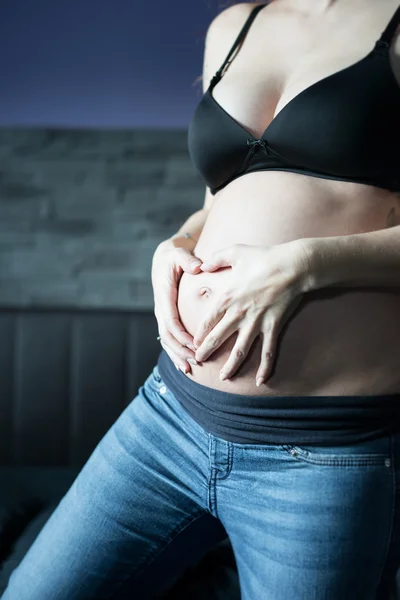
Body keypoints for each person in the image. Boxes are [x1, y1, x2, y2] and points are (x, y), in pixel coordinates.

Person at [3, 0, 400, 598]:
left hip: (322, 453)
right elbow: (221, 197)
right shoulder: (235, 25)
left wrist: (307, 264)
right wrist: (177, 242)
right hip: (169, 417)